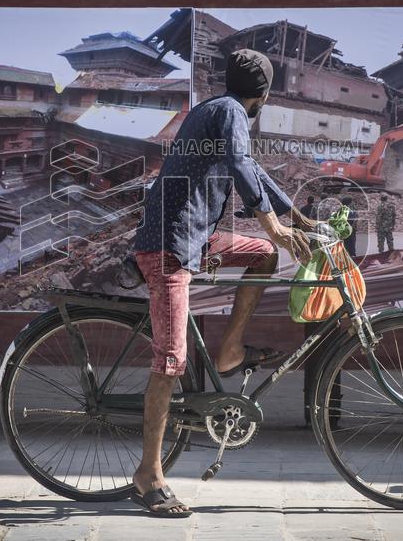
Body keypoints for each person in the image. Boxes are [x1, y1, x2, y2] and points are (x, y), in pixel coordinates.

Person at [130, 48, 315, 517]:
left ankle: (230, 350)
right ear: (264, 96)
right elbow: (238, 160)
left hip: (196, 238)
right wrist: (273, 224)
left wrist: (300, 222)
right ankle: (149, 475)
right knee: (171, 361)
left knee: (265, 256)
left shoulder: (216, 110)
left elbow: (254, 172)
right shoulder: (230, 112)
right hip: (170, 246)